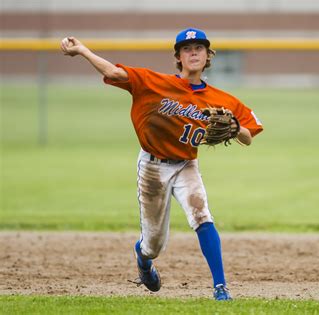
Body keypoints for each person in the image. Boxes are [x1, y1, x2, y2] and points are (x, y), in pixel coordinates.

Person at [60, 28, 263, 300]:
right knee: (153, 245)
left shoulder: (223, 100)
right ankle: (143, 260)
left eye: (199, 48)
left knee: (202, 215)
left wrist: (235, 126)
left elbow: (248, 137)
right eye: (187, 49)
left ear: (208, 56)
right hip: (153, 167)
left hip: (186, 165)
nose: (193, 52)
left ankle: (220, 287)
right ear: (178, 57)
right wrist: (82, 50)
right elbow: (113, 73)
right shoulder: (151, 81)